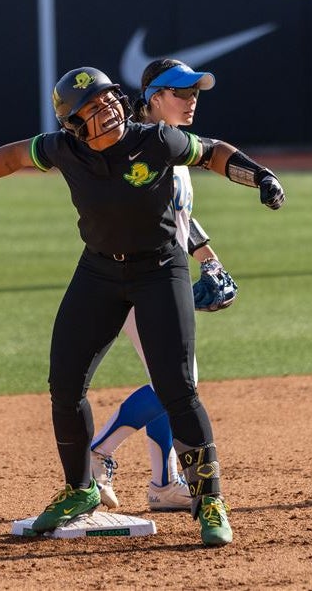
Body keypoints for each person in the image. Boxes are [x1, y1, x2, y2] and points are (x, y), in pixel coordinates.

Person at [0, 65, 285, 546]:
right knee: (64, 383)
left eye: (111, 99)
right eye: (94, 107)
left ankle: (210, 500)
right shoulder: (62, 149)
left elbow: (211, 152)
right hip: (98, 271)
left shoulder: (155, 141)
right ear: (74, 124)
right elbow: (12, 157)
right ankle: (81, 489)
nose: (110, 109)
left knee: (178, 389)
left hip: (160, 270)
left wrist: (259, 177)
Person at [88, 59, 238, 515]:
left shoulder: (173, 146)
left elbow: (177, 216)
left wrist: (209, 258)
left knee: (171, 381)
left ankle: (164, 483)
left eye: (195, 92)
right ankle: (97, 454)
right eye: (181, 92)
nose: (191, 100)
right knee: (180, 384)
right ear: (154, 97)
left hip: (163, 276)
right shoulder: (135, 146)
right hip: (135, 278)